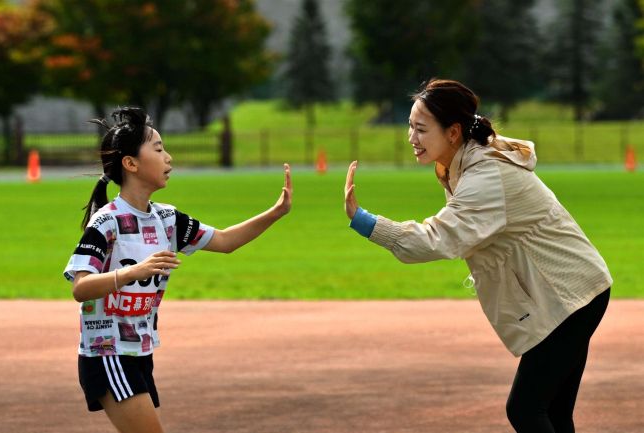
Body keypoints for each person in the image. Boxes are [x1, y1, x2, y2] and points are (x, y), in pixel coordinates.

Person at [344, 78, 612, 433]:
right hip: (573, 290)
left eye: (421, 129)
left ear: (453, 132)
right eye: (410, 126)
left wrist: (364, 221)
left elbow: (437, 238)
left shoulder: (486, 174)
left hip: (569, 296)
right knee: (553, 413)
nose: (411, 137)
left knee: (526, 409)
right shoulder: (464, 164)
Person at [63, 107, 292, 433]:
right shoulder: (107, 221)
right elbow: (80, 287)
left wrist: (276, 212)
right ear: (131, 164)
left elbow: (225, 241)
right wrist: (133, 272)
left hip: (139, 351)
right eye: (158, 149)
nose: (168, 158)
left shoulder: (167, 219)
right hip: (108, 352)